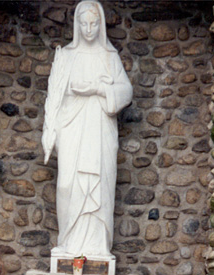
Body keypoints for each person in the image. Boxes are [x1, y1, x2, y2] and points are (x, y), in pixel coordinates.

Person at [42, 0, 133, 258]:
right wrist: (52, 131)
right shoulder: (67, 56)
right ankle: (69, 242)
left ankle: (96, 247)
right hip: (71, 129)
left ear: (100, 25)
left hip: (99, 129)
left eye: (94, 23)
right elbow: (56, 95)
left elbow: (126, 91)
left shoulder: (109, 56)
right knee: (67, 185)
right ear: (77, 25)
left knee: (99, 185)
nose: (89, 29)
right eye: (84, 24)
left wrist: (98, 89)